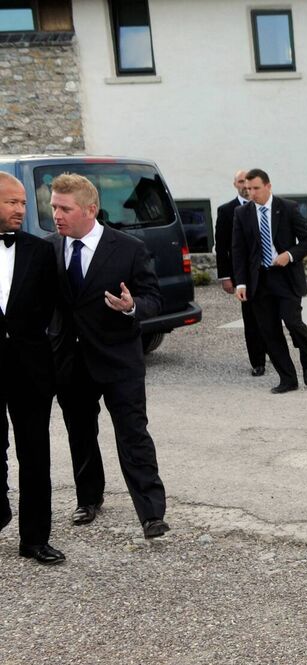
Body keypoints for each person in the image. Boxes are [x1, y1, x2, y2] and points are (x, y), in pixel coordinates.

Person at [48, 173, 169, 539]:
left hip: (118, 361)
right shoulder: (50, 248)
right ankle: (89, 499)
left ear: (91, 209)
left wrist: (133, 306)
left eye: (64, 208)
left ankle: (151, 513)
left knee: (133, 434)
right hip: (70, 362)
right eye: (53, 206)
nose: (56, 215)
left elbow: (154, 299)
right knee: (80, 434)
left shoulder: (128, 249)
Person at [0, 173, 61, 563]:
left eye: (24, 203)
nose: (21, 209)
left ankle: (35, 539)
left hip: (31, 370)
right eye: (12, 202)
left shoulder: (39, 252)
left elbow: (52, 308)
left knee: (36, 455)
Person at [232, 168, 307, 395]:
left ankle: (306, 355)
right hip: (259, 281)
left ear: (268, 186)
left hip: (286, 277)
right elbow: (238, 251)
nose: (251, 193)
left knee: (293, 323)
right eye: (248, 189)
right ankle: (288, 379)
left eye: (256, 188)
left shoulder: (287, 208)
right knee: (269, 332)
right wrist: (240, 283)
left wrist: (288, 255)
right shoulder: (242, 214)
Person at [215, 170, 266, 376]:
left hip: (268, 272)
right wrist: (226, 276)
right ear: (235, 184)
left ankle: (274, 350)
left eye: (248, 182)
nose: (245, 186)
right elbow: (222, 246)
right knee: (251, 319)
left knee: (271, 316)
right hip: (243, 275)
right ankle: (257, 361)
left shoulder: (265, 206)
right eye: (241, 182)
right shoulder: (226, 211)